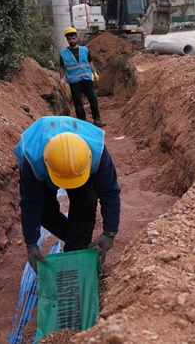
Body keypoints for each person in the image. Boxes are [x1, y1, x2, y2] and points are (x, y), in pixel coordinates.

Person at [15, 115, 121, 272]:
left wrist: (110, 232)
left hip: (80, 167)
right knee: (45, 212)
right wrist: (31, 243)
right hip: (44, 169)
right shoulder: (32, 161)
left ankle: (77, 249)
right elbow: (31, 204)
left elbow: (109, 192)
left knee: (85, 203)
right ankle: (76, 240)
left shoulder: (97, 153)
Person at [60, 27, 105, 127]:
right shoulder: (63, 54)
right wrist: (62, 79)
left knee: (93, 99)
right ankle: (82, 122)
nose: (72, 41)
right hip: (74, 82)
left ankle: (97, 119)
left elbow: (90, 62)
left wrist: (95, 73)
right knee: (78, 103)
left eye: (73, 38)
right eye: (70, 39)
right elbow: (62, 67)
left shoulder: (84, 50)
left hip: (86, 79)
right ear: (67, 40)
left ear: (76, 38)